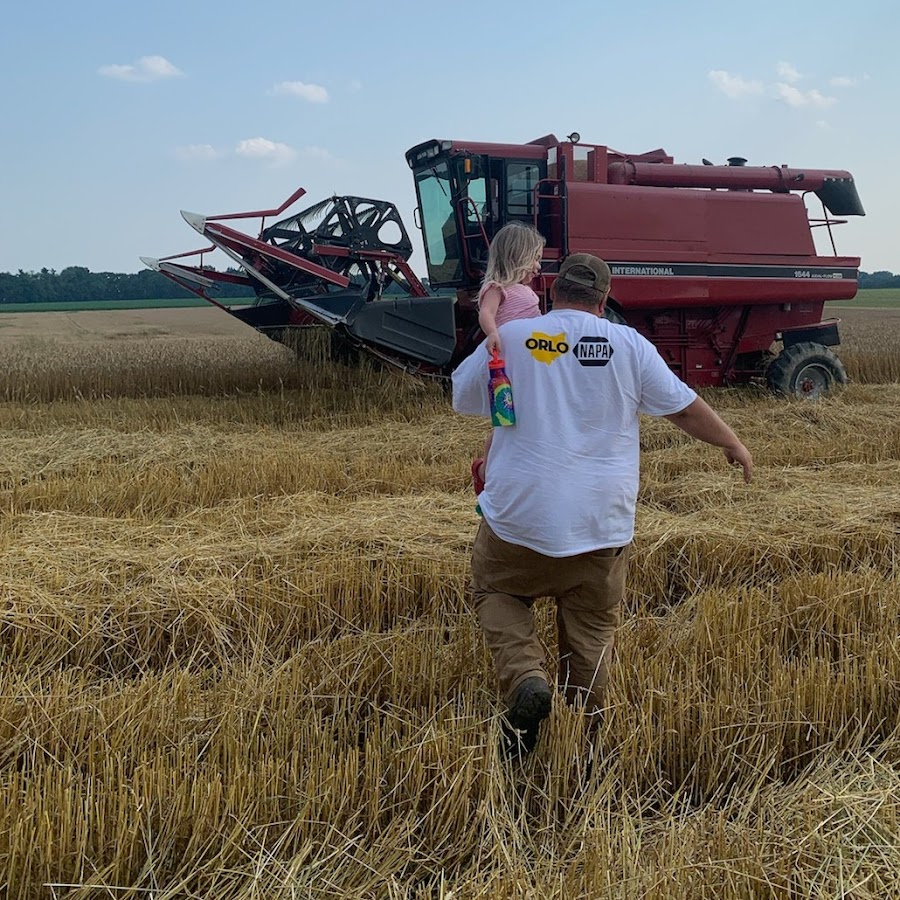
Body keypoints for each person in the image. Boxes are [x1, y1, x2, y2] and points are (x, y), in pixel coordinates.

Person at [451, 253, 753, 754]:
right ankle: (589, 742)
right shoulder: (628, 344)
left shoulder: (515, 338)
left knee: (497, 594)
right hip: (602, 525)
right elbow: (684, 407)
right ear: (603, 298)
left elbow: (464, 396)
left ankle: (526, 677)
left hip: (518, 520)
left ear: (551, 292)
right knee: (590, 634)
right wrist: (732, 442)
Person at [471, 221, 546, 495]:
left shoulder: (525, 291)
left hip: (527, 364)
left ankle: (503, 472)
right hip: (506, 368)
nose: (539, 266)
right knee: (504, 424)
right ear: (519, 256)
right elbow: (486, 314)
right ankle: (485, 474)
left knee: (516, 422)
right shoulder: (497, 287)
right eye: (535, 259)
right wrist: (491, 334)